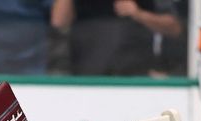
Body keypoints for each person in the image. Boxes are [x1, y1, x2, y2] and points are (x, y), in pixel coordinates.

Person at [51, 0, 183, 76]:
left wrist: (138, 14)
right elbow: (58, 21)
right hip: (88, 75)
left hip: (133, 76)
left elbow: (174, 27)